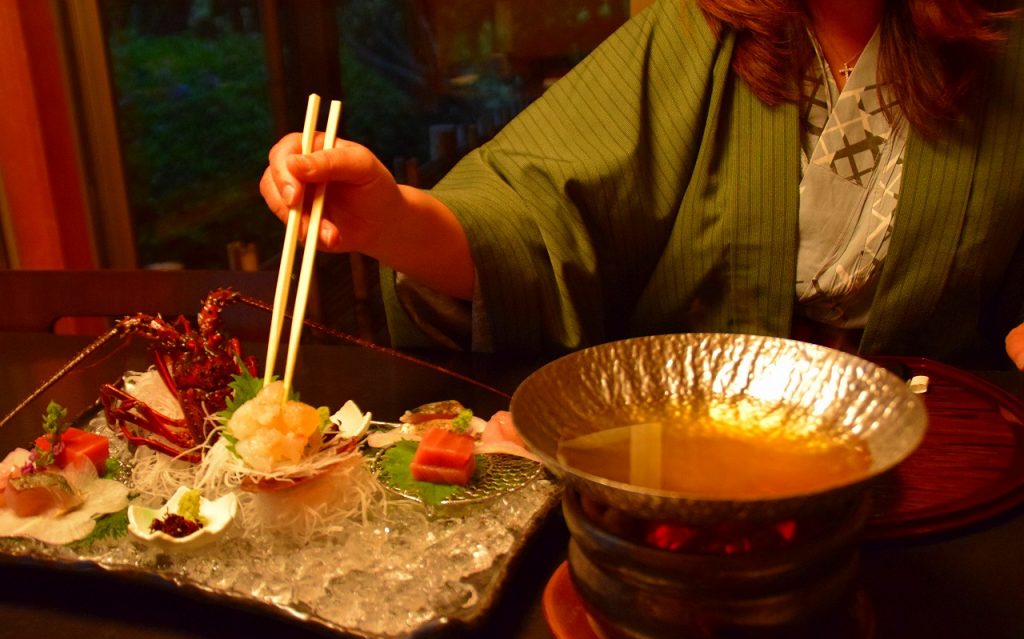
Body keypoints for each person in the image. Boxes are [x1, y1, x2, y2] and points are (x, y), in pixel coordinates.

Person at [260, 0, 1024, 371]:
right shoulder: (690, 32)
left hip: (934, 477)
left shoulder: (1006, 52)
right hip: (685, 464)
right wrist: (391, 219)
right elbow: (532, 214)